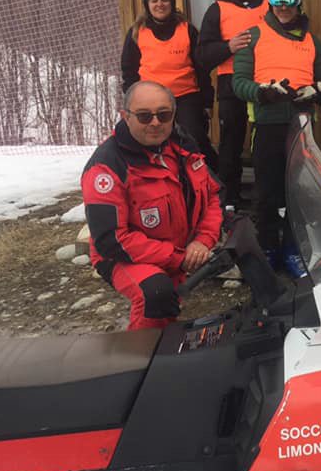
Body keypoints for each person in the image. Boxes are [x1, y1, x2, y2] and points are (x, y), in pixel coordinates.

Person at [82, 81, 223, 331]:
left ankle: (165, 346)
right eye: (144, 116)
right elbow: (111, 240)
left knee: (168, 305)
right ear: (125, 116)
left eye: (164, 114)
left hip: (175, 246)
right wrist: (179, 258)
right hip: (120, 255)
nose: (155, 123)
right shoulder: (106, 167)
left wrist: (204, 240)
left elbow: (212, 195)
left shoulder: (182, 145)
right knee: (155, 294)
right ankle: (139, 360)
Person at [231, 0, 321, 278]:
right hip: (267, 123)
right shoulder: (255, 34)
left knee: (298, 193)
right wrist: (263, 91)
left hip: (301, 123)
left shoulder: (312, 41)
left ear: (299, 2)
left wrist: (319, 91)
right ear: (270, 1)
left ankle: (293, 250)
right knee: (266, 192)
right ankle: (266, 250)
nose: (283, 6)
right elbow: (238, 83)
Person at [197, 0, 269, 209]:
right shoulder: (217, 9)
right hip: (231, 83)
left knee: (269, 142)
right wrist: (227, 47)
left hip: (266, 79)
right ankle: (230, 200)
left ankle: (271, 196)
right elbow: (202, 55)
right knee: (231, 144)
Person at [121, 0, 216, 170]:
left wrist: (206, 102)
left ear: (172, 2)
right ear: (147, 5)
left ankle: (211, 178)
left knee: (193, 137)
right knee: (148, 139)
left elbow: (201, 68)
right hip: (151, 100)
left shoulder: (187, 30)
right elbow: (128, 70)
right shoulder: (137, 33)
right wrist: (133, 100)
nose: (159, 4)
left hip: (185, 96)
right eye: (154, 0)